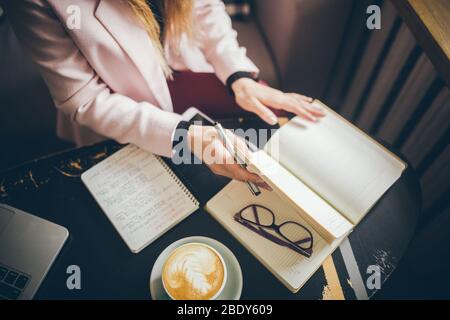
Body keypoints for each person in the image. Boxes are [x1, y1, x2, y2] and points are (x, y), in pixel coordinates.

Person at [6, 0, 324, 189]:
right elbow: (84, 98)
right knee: (191, 180)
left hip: (183, 65)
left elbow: (205, 10)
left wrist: (239, 77)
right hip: (117, 106)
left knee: (264, 111)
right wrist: (185, 137)